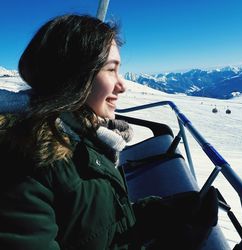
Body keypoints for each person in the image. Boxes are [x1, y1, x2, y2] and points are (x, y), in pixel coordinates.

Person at [0, 14, 219, 250]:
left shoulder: (84, 136)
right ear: (75, 77)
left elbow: (96, 228)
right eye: (111, 69)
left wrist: (162, 212)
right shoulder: (25, 163)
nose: (122, 85)